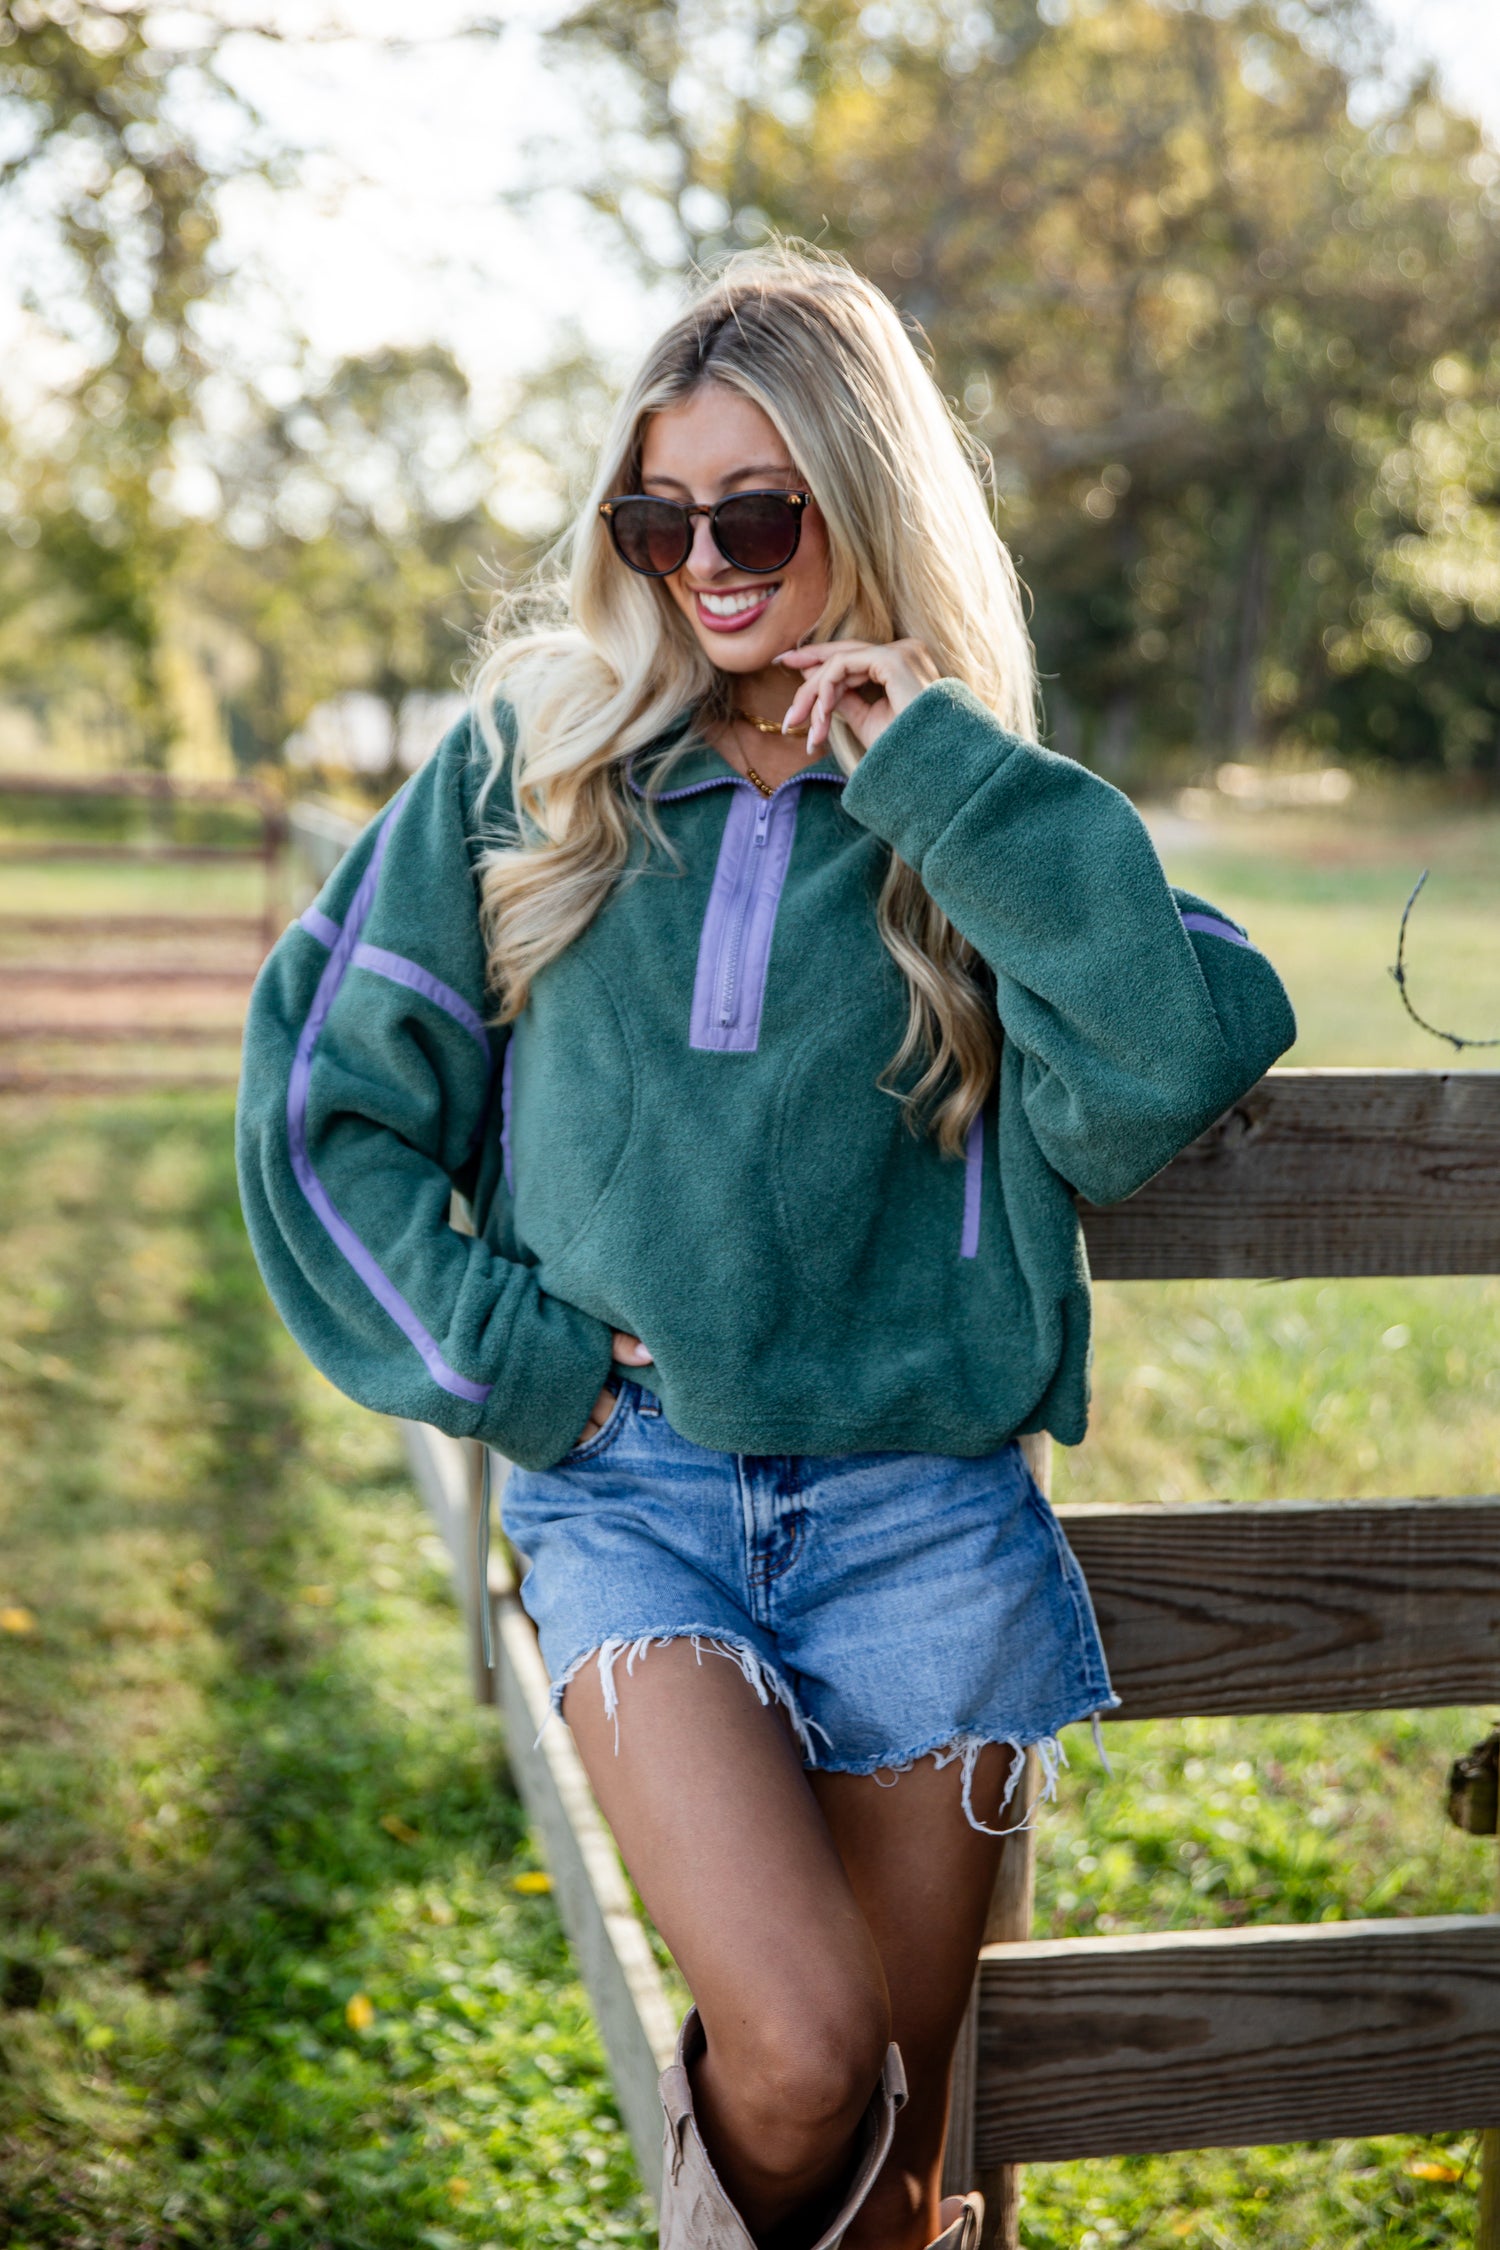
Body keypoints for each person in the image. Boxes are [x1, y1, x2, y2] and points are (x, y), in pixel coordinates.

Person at [237, 241, 1296, 2250]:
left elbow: (1163, 1061)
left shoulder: (974, 800)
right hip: (636, 1501)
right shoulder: (531, 769)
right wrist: (520, 1365)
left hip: (928, 1525)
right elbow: (318, 1106)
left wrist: (940, 774)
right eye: (659, 516)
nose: (702, 562)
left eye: (756, 513)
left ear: (866, 502)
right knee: (801, 2053)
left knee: (896, 2183)